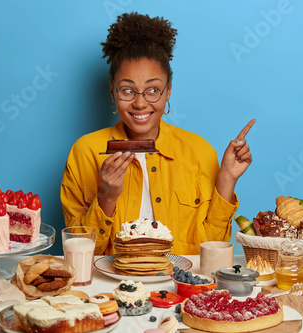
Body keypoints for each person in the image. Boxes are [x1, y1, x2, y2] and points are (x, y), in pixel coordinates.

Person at [61, 12, 254, 255]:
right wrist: (107, 196)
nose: (140, 104)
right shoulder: (84, 152)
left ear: (168, 91)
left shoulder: (200, 151)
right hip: (111, 289)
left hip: (178, 287)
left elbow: (211, 250)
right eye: (127, 90)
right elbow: (79, 253)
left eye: (153, 90)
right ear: (112, 91)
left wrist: (227, 178)